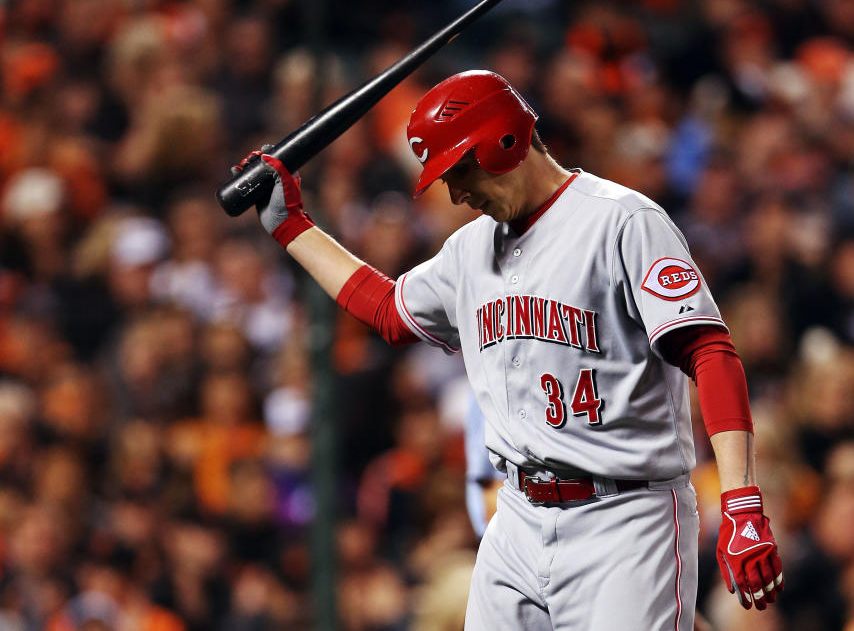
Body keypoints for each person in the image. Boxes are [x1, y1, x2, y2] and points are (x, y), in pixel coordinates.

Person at [232, 70, 783, 630]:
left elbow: (709, 351)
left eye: (458, 169)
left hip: (626, 518)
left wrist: (741, 502)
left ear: (505, 141)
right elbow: (390, 312)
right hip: (518, 517)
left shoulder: (622, 221)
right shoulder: (468, 250)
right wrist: (290, 226)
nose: (454, 192)